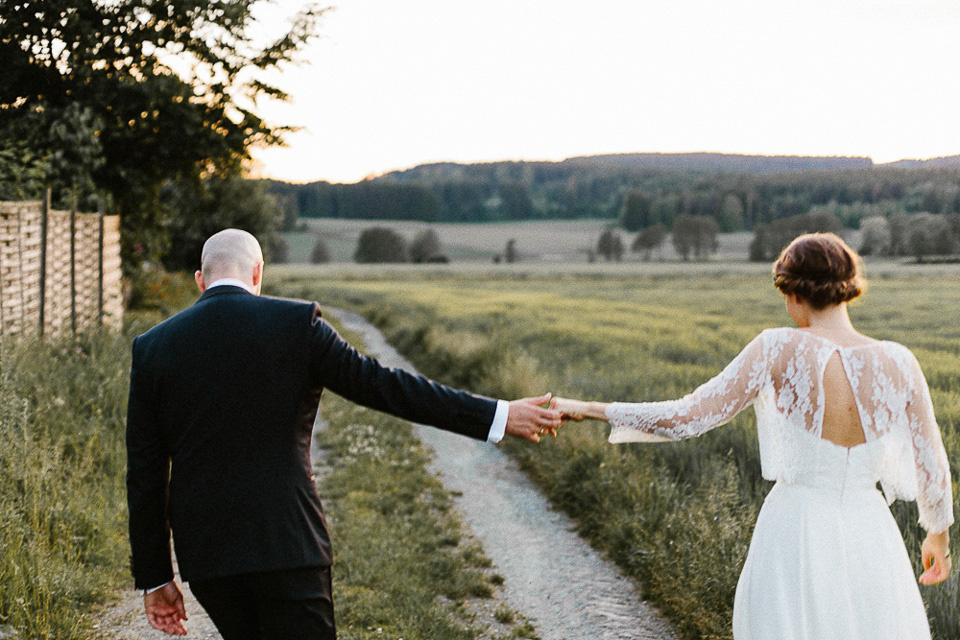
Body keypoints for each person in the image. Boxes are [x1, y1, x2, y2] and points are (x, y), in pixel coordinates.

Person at [126, 228, 563, 639]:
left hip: (209, 559)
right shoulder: (297, 324)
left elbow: (144, 474)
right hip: (289, 545)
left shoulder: (152, 348)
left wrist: (156, 577)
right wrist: (499, 414)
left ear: (200, 279)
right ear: (258, 273)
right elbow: (387, 386)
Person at [553, 232, 953, 640]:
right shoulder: (900, 361)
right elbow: (932, 462)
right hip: (871, 534)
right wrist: (938, 537)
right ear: (846, 288)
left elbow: (688, 416)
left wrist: (591, 409)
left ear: (794, 291)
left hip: (796, 531)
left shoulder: (776, 347)